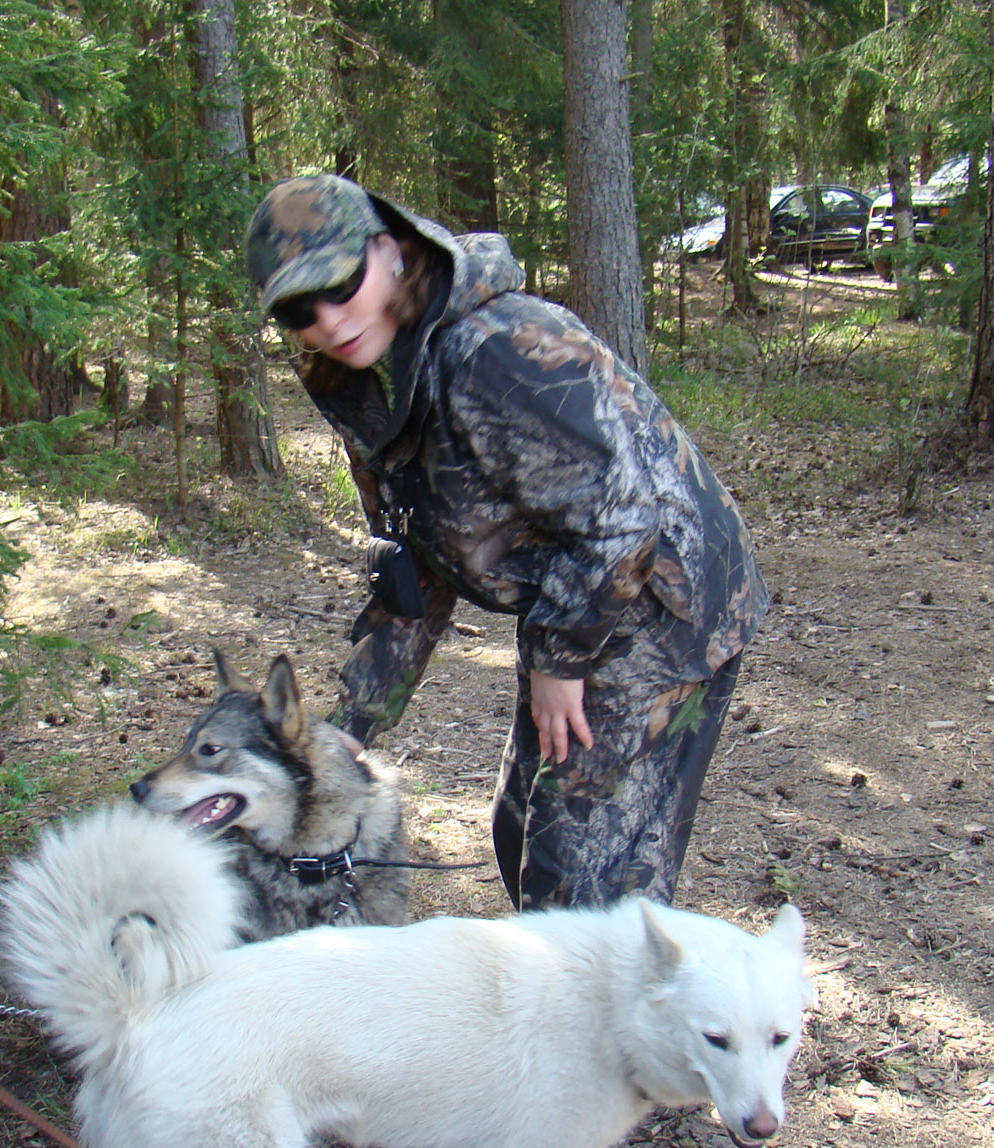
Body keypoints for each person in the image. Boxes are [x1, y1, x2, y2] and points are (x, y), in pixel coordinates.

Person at [244, 174, 768, 912]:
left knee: (583, 884)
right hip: (581, 592)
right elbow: (413, 555)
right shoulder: (359, 376)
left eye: (338, 284)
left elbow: (624, 517)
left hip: (661, 600)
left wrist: (559, 660)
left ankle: (620, 987)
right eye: (299, 309)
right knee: (520, 829)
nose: (327, 320)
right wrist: (355, 721)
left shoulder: (496, 351)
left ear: (389, 251)